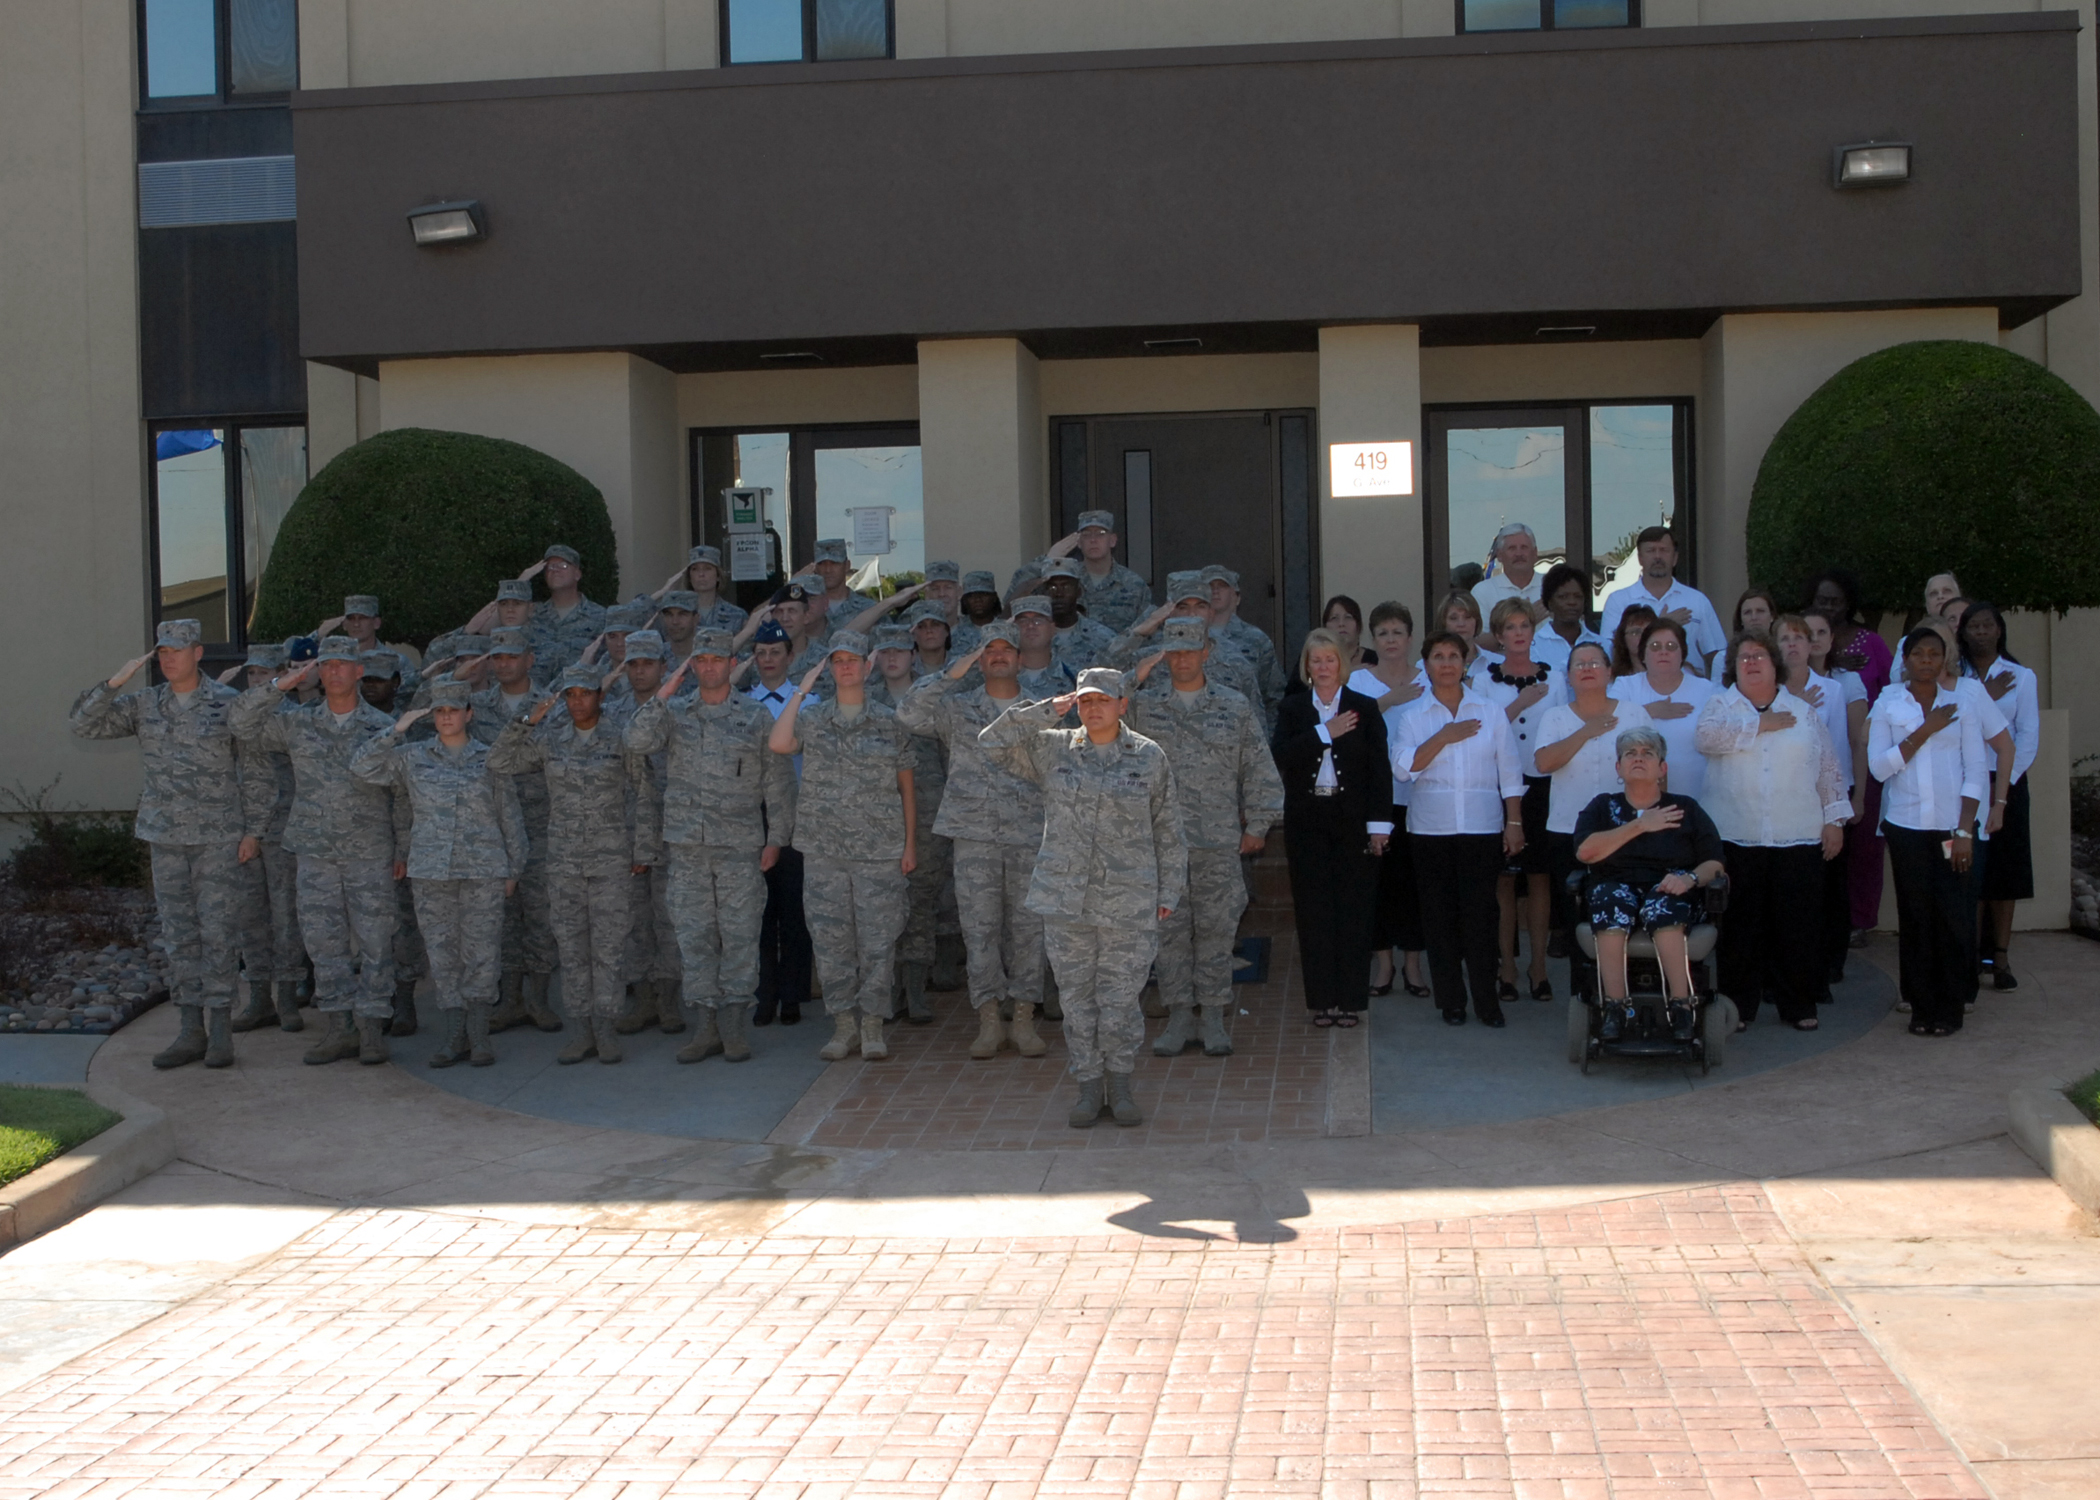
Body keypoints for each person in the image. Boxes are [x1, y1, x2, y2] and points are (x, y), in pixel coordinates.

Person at [981, 667, 1186, 1129]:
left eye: (1102, 700)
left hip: (1128, 903)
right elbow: (991, 743)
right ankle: (1089, 1087)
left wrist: (1169, 889)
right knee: (1076, 1001)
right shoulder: (1052, 746)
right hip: (1066, 899)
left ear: (1122, 705)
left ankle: (1121, 1084)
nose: (1093, 708)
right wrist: (1042, 711)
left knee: (1119, 1001)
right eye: (1085, 700)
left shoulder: (1149, 757)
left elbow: (1169, 830)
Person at [71, 619, 265, 1070]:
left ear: (198, 653)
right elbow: (83, 725)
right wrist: (114, 682)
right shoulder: (144, 704)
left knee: (217, 933)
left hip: (218, 836)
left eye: (177, 650)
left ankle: (220, 1031)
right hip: (166, 836)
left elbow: (255, 770)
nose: (168, 658)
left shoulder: (228, 704)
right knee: (179, 937)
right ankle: (189, 1029)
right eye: (161, 652)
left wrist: (254, 830)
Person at [229, 635, 405, 1066]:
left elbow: (403, 794)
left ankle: (371, 1029)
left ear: (359, 671)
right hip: (315, 850)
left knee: (377, 941)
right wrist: (280, 685)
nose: (334, 672)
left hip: (370, 850)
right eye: (326, 665)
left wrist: (404, 845)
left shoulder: (384, 728)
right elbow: (240, 723)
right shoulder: (298, 722)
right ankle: (339, 1027)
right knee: (324, 944)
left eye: (343, 664)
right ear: (317, 673)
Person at [626, 626, 795, 1062]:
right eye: (700, 660)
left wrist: (776, 838)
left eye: (717, 660)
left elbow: (776, 782)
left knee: (739, 935)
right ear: (691, 665)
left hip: (740, 846)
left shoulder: (755, 717)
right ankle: (705, 1026)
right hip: (687, 848)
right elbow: (636, 740)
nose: (709, 667)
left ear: (733, 665)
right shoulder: (675, 713)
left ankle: (735, 1027)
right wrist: (666, 690)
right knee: (694, 935)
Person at [1126, 617, 1284, 1057]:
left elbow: (1258, 769)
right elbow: (1105, 700)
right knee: (1170, 934)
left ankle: (1213, 1016)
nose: (1180, 660)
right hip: (1163, 845)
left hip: (1218, 842)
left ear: (1206, 653)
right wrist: (1138, 669)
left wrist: (1257, 825)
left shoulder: (1233, 707)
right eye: (1172, 651)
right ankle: (1179, 1016)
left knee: (1217, 932)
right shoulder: (1143, 707)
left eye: (1189, 650)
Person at [352, 680, 529, 1068]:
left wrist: (514, 867)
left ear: (469, 713)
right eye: (439, 711)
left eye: (454, 710)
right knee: (444, 955)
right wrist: (397, 728)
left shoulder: (490, 758)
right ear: (431, 716)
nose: (446, 716)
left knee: (481, 953)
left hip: (484, 869)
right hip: (432, 872)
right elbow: (362, 765)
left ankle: (479, 1035)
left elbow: (509, 815)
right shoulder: (413, 757)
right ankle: (454, 1034)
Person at [897, 621, 1052, 1059]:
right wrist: (951, 673)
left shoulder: (1043, 709)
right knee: (979, 931)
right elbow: (907, 713)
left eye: (1007, 649)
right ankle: (988, 1019)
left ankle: (1022, 1017)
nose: (999, 656)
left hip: (1029, 835)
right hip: (974, 838)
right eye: (989, 651)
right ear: (978, 661)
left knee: (1028, 931)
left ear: (1021, 659)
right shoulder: (956, 709)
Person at [769, 631, 918, 1063]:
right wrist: (801, 689)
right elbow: (779, 743)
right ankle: (843, 1026)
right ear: (828, 668)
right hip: (824, 851)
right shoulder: (813, 720)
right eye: (837, 661)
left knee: (877, 942)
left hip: (879, 850)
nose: (846, 667)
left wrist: (910, 845)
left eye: (853, 659)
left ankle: (872, 1025)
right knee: (832, 943)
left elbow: (907, 788)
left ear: (868, 666)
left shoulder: (890, 721)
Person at [488, 663, 647, 1065]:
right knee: (573, 951)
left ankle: (607, 1031)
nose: (578, 702)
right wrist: (528, 720)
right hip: (564, 863)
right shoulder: (551, 738)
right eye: (571, 694)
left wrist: (642, 849)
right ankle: (581, 1033)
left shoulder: (621, 736)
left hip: (612, 860)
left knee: (609, 950)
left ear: (600, 695)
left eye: (585, 693)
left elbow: (643, 792)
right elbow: (499, 761)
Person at [1694, 633, 1849, 1030]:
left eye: (1759, 655)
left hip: (1795, 833)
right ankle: (1738, 1008)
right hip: (1736, 835)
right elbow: (1706, 738)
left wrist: (1833, 820)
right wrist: (1759, 723)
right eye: (1743, 657)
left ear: (1774, 663)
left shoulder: (1803, 712)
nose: (1751, 662)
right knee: (1740, 927)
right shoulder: (1719, 704)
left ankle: (1797, 1005)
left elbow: (1828, 768)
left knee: (1796, 925)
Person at [1389, 632, 1525, 1027]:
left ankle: (1487, 1000)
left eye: (1453, 656)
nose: (1446, 663)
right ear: (1427, 664)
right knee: (1439, 917)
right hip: (1431, 831)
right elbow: (1404, 767)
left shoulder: (1490, 710)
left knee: (1481, 916)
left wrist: (1514, 822)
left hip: (1482, 828)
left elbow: (1510, 772)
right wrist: (1443, 736)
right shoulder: (1413, 716)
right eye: (1438, 656)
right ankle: (1451, 1000)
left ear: (1465, 663)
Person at [1869, 627, 1990, 1036]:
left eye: (1933, 654)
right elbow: (1879, 768)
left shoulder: (1962, 704)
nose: (1925, 660)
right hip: (1907, 827)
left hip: (1951, 828)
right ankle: (1921, 1008)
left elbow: (1975, 770)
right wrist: (1924, 730)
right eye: (1918, 654)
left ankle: (1950, 1009)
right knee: (1916, 917)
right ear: (1905, 661)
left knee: (1953, 917)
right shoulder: (1888, 703)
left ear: (1944, 660)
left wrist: (1965, 832)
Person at [1571, 727, 1727, 1040]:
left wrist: (1689, 878)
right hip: (1615, 886)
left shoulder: (1686, 809)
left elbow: (1714, 863)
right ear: (1619, 768)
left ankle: (1682, 1006)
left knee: (1662, 906)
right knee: (1609, 901)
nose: (1638, 758)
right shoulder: (1602, 807)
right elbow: (1586, 852)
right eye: (1630, 753)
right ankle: (1614, 1007)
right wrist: (1642, 824)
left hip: (1671, 888)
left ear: (1662, 768)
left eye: (1647, 753)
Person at [1273, 629, 1392, 1027]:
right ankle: (1322, 1001)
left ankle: (1350, 1001)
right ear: (1306, 666)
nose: (1323, 667)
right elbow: (1280, 756)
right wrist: (1324, 733)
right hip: (1307, 825)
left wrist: (1379, 827)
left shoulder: (1364, 707)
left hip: (1353, 824)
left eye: (1330, 659)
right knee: (1315, 914)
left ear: (1342, 665)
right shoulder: (1293, 708)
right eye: (1315, 660)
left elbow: (1380, 771)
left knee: (1354, 913)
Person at [468, 628, 563, 1035]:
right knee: (503, 919)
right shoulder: (476, 705)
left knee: (541, 915)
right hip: (495, 826)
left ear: (530, 658)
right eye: (498, 657)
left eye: (512, 656)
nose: (504, 663)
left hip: (541, 822)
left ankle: (538, 1000)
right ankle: (509, 1000)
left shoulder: (551, 704)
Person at [1535, 640, 1649, 972]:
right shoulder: (1555, 717)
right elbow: (1544, 762)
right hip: (1568, 831)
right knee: (1576, 921)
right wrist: (1586, 731)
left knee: (1625, 914)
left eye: (1595, 663)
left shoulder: (1633, 713)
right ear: (1568, 676)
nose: (1587, 669)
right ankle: (1583, 998)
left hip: (1626, 831)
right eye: (1579, 664)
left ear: (1610, 672)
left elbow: (1654, 770)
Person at [1476, 598, 1562, 1004]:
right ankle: (1507, 968)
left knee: (1541, 878)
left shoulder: (1555, 678)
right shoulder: (1483, 680)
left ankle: (1539, 968)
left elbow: (1564, 728)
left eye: (1524, 624)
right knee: (1505, 880)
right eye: (1510, 627)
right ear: (1499, 634)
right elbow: (1482, 733)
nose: (1519, 633)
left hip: (1544, 785)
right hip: (1502, 786)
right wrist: (1519, 704)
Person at [1808, 567, 1894, 948]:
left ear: (1849, 603)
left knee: (1864, 849)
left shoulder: (1870, 643)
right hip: (1809, 770)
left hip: (1864, 759)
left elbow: (1892, 690)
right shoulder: (1804, 645)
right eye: (1822, 600)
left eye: (1836, 601)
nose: (1829, 607)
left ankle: (1860, 920)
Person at [603, 630, 683, 1037]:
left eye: (647, 664)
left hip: (671, 830)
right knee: (632, 919)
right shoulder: (611, 715)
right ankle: (644, 998)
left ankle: (669, 999)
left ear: (663, 668)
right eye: (632, 664)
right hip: (624, 832)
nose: (639, 671)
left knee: (669, 917)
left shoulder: (679, 712)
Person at [1785, 611, 1868, 998]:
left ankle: (1829, 965)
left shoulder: (1834, 690)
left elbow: (1835, 749)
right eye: (1788, 638)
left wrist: (1842, 803)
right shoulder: (1766, 688)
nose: (1799, 644)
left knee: (1830, 889)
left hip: (1825, 800)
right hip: (1783, 799)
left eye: (1808, 636)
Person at [870, 624, 950, 1024]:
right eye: (884, 652)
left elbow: (951, 756)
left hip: (929, 811)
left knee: (920, 902)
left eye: (900, 651)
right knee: (882, 907)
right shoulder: (865, 701)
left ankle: (915, 989)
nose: (892, 658)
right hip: (880, 815)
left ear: (914, 655)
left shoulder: (934, 699)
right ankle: (886, 991)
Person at [1349, 603, 1429, 998]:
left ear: (1410, 637)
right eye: (1383, 633)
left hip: (1420, 799)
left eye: (1398, 632)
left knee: (1414, 885)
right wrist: (1390, 700)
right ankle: (1383, 966)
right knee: (1376, 885)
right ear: (1372, 640)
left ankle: (1414, 966)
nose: (1391, 640)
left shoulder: (1430, 679)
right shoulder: (1361, 683)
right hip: (1376, 800)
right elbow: (1351, 729)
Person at [228, 639, 307, 1034]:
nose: (257, 679)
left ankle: (288, 997)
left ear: (283, 675)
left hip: (283, 830)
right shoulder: (238, 715)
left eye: (264, 672)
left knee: (286, 915)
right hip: (243, 830)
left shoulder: (294, 717)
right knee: (250, 917)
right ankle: (259, 997)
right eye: (252, 673)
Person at [1960, 602, 2040, 989]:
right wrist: (1983, 694)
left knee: (2005, 873)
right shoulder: (1955, 676)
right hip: (1966, 782)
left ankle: (2001, 959)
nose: (1980, 632)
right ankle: (1973, 955)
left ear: (1999, 630)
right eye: (1972, 626)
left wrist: (2004, 783)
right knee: (1972, 870)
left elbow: (2026, 737)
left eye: (1987, 625)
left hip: (2007, 783)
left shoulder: (2021, 677)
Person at [745, 619, 814, 1026]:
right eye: (761, 653)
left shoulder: (810, 701)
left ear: (791, 657)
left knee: (794, 911)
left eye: (776, 652)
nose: (768, 659)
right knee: (759, 912)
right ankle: (764, 994)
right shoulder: (744, 703)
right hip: (755, 817)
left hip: (800, 813)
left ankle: (793, 995)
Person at [1105, 576, 1264, 714]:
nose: (1192, 614)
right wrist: (1139, 632)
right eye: (1183, 607)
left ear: (1211, 613)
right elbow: (1103, 674)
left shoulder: (1236, 664)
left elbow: (1255, 723)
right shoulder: (1149, 661)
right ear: (1171, 613)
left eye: (1200, 606)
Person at [1598, 526, 1727, 676]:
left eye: (1664, 550)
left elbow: (1717, 657)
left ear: (1675, 558)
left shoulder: (1697, 600)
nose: (1658, 556)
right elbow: (1609, 653)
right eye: (1651, 551)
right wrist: (1662, 624)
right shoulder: (1618, 600)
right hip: (1634, 693)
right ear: (1640, 558)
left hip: (1689, 691)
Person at [1613, 617, 1716, 798]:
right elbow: (1607, 724)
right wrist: (1649, 711)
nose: (1663, 652)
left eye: (1671, 646)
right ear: (1642, 654)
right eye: (1655, 647)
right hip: (1636, 798)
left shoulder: (1707, 690)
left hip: (1697, 795)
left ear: (1682, 654)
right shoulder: (1625, 686)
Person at [1043, 510, 1153, 631]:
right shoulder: (1063, 581)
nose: (1093, 540)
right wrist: (1046, 560)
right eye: (1086, 534)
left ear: (1112, 540)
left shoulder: (1134, 585)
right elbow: (1024, 597)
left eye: (1100, 533)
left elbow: (1148, 631)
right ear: (1078, 542)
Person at [1206, 565, 1287, 730]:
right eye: (1210, 587)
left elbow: (1274, 696)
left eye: (1221, 586)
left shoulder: (1256, 640)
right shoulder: (1188, 639)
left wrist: (1266, 739)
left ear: (1237, 597)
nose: (1215, 591)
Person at [520, 544, 609, 679]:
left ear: (577, 574)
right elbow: (488, 627)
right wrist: (522, 580)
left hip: (579, 695)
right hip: (538, 696)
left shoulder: (600, 616)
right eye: (550, 566)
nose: (555, 570)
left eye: (563, 565)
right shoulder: (532, 613)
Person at [1038, 557, 1118, 670]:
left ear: (1078, 591)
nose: (1059, 594)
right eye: (1052, 587)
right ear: (1042, 593)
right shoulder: (1032, 638)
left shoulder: (1104, 638)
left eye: (1066, 587)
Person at [653, 544, 748, 633]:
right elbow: (641, 617)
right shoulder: (673, 613)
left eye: (707, 568)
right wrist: (664, 591)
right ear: (689, 576)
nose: (701, 574)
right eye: (695, 569)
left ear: (718, 575)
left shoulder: (736, 615)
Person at [1531, 562, 1606, 674]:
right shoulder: (1533, 646)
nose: (1572, 602)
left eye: (1578, 596)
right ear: (1549, 602)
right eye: (1563, 597)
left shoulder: (1603, 645)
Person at [1471, 521, 1545, 613]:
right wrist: (1530, 619)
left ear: (1535, 553)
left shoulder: (1552, 587)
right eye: (1512, 548)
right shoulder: (1483, 592)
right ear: (1500, 555)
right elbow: (1480, 628)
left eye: (1524, 547)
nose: (1519, 554)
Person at [810, 538, 878, 633]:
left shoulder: (869, 609)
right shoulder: (806, 609)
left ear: (847, 566)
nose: (828, 570)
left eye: (834, 563)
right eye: (822, 564)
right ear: (816, 568)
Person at [1433, 590, 1500, 675]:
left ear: (1477, 621)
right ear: (1443, 623)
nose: (1461, 624)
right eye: (1453, 618)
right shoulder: (1426, 666)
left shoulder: (1497, 662)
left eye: (1467, 617)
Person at [1609, 602, 1658, 679]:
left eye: (1648, 631)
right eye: (1635, 632)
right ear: (1623, 638)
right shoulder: (1611, 680)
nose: (1643, 636)